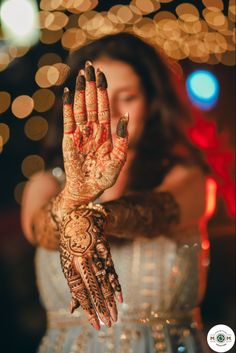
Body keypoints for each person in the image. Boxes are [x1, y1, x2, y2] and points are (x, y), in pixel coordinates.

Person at [21, 33, 217, 353]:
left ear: (152, 104)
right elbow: (43, 229)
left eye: (127, 97)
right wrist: (72, 202)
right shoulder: (45, 184)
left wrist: (94, 218)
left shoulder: (187, 177)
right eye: (98, 96)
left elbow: (155, 211)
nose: (109, 111)